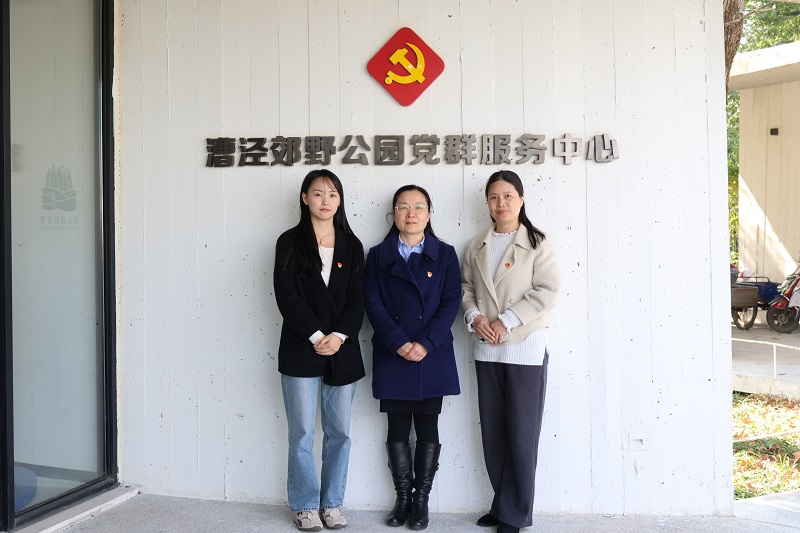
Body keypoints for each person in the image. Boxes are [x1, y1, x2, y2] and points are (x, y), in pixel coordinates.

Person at [461, 170, 561, 533]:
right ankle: (502, 504)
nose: (500, 203)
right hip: (487, 346)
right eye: (493, 197)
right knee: (494, 431)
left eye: (507, 196)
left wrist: (506, 320)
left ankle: (516, 513)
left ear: (521, 199)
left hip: (524, 346)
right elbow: (466, 289)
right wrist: (474, 317)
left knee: (521, 432)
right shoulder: (476, 245)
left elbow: (548, 290)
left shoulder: (538, 243)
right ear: (487, 203)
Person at [273, 169, 365, 532]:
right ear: (304, 198)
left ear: (340, 201)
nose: (325, 201)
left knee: (339, 432)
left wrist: (338, 335)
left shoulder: (352, 245)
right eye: (318, 193)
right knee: (301, 434)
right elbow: (287, 296)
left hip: (342, 349)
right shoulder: (289, 242)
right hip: (301, 347)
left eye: (332, 194)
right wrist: (316, 335)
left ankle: (332, 503)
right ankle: (305, 505)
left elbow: (358, 298)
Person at [364, 185, 461, 530]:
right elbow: (372, 302)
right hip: (393, 353)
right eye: (403, 207)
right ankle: (403, 498)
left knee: (428, 425)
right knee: (397, 426)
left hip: (431, 354)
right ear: (393, 214)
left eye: (419, 206)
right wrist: (398, 342)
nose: (411, 213)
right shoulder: (378, 255)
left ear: (429, 214)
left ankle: (421, 502)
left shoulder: (445, 254)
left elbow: (450, 302)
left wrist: (426, 343)